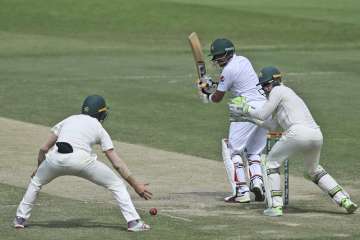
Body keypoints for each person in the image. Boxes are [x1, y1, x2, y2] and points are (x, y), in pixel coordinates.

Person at [229, 66, 358, 216]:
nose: (264, 88)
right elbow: (271, 125)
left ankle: (276, 206)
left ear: (275, 81)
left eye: (266, 84)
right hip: (316, 135)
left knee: (270, 163)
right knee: (314, 170)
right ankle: (344, 200)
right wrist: (248, 118)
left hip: (297, 132)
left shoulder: (278, 91)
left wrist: (245, 109)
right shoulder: (285, 95)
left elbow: (263, 114)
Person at [13, 95, 152, 231]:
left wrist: (39, 168)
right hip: (82, 161)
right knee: (116, 185)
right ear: (101, 114)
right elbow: (117, 163)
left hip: (55, 159)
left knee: (36, 183)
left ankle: (20, 219)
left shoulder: (69, 119)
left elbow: (43, 149)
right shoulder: (98, 127)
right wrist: (135, 185)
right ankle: (134, 223)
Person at [199, 38, 267, 203]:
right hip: (265, 106)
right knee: (253, 151)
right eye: (216, 56)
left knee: (233, 150)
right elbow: (234, 84)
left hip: (243, 106)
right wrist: (211, 84)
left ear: (229, 53)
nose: (217, 60)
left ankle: (241, 191)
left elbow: (217, 98)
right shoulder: (243, 60)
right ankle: (257, 182)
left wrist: (205, 93)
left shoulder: (227, 71)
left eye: (220, 56)